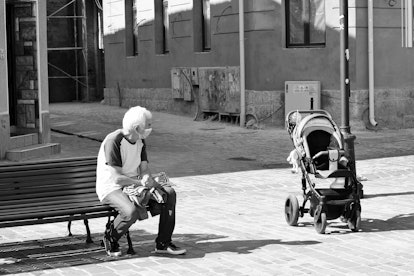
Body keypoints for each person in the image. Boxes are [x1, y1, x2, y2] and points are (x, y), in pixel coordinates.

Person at [96, 106, 186, 257]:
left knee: (169, 193)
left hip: (134, 183)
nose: (151, 128)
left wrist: (147, 178)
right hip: (111, 187)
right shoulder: (114, 141)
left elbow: (144, 168)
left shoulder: (140, 140)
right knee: (130, 212)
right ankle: (110, 237)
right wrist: (141, 183)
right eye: (149, 125)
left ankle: (163, 243)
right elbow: (117, 178)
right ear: (137, 128)